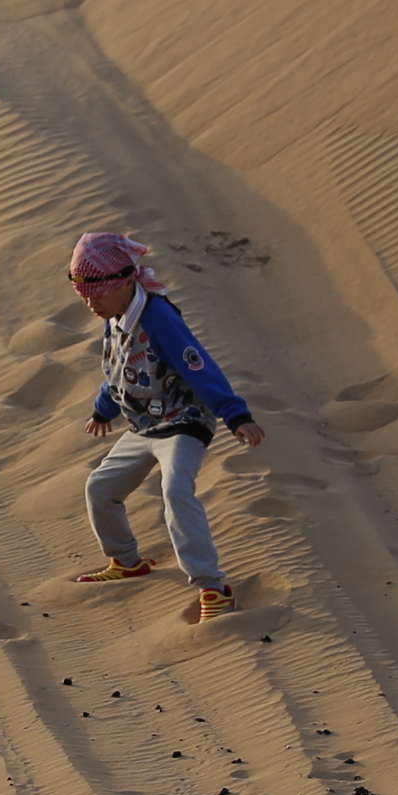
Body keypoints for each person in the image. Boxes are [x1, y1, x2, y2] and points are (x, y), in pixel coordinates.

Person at [66, 230, 264, 619]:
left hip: (183, 424)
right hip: (143, 427)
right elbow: (119, 371)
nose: (91, 304)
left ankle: (213, 587)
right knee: (101, 488)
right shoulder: (116, 315)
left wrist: (235, 415)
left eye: (97, 294)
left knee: (175, 490)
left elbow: (200, 366)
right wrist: (103, 409)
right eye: (84, 296)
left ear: (123, 282)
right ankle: (126, 561)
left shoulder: (157, 317)